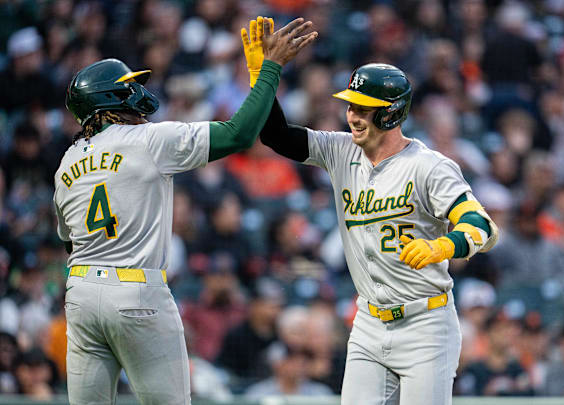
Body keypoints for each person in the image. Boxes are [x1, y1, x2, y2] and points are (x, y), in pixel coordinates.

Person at [53, 17, 317, 405]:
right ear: (108, 101)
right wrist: (269, 69)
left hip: (81, 293)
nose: (139, 93)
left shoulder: (66, 162)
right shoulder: (149, 139)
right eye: (129, 88)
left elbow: (68, 241)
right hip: (135, 289)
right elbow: (239, 134)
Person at [243, 17, 499, 405]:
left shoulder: (429, 165)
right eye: (352, 106)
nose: (354, 116)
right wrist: (264, 75)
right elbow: (276, 135)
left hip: (425, 323)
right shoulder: (340, 149)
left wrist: (443, 247)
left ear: (392, 112)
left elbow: (482, 224)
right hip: (369, 322)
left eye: (365, 108)